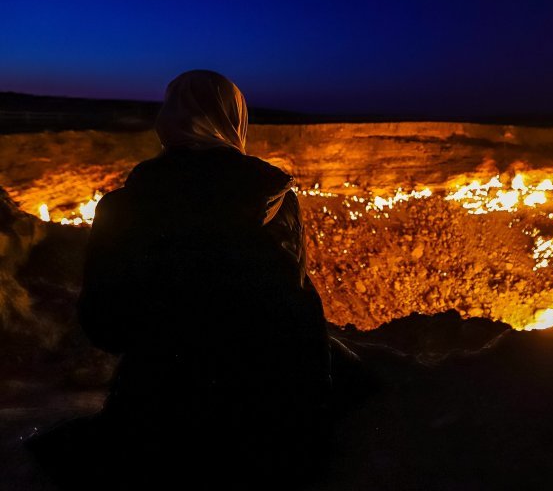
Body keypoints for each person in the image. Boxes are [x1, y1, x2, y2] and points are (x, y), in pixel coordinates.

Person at [30, 70, 333, 488]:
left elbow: (106, 326)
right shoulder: (277, 203)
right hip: (267, 412)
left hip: (160, 412)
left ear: (168, 121)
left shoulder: (122, 209)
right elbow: (300, 311)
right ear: (235, 123)